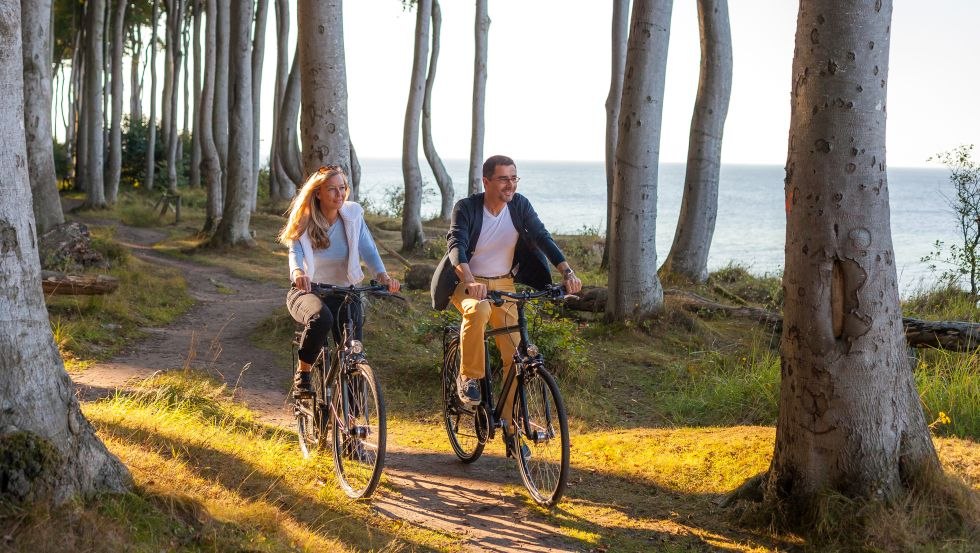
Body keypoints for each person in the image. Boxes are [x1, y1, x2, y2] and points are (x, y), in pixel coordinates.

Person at [430, 155, 582, 457]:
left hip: (504, 284)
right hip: (467, 282)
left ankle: (511, 429)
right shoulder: (466, 208)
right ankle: (469, 376)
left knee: (516, 357)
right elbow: (456, 246)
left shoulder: (520, 206)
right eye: (503, 179)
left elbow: (542, 237)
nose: (510, 184)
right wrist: (471, 281)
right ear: (486, 181)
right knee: (479, 310)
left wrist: (567, 272)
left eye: (514, 178)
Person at [278, 165, 400, 397]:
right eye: (332, 189)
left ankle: (352, 416)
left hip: (345, 293)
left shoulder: (353, 216)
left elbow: (369, 250)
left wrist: (383, 276)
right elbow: (295, 252)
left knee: (353, 354)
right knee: (321, 318)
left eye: (342, 188)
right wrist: (298, 273)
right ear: (318, 193)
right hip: (308, 291)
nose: (339, 194)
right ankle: (303, 374)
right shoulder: (304, 220)